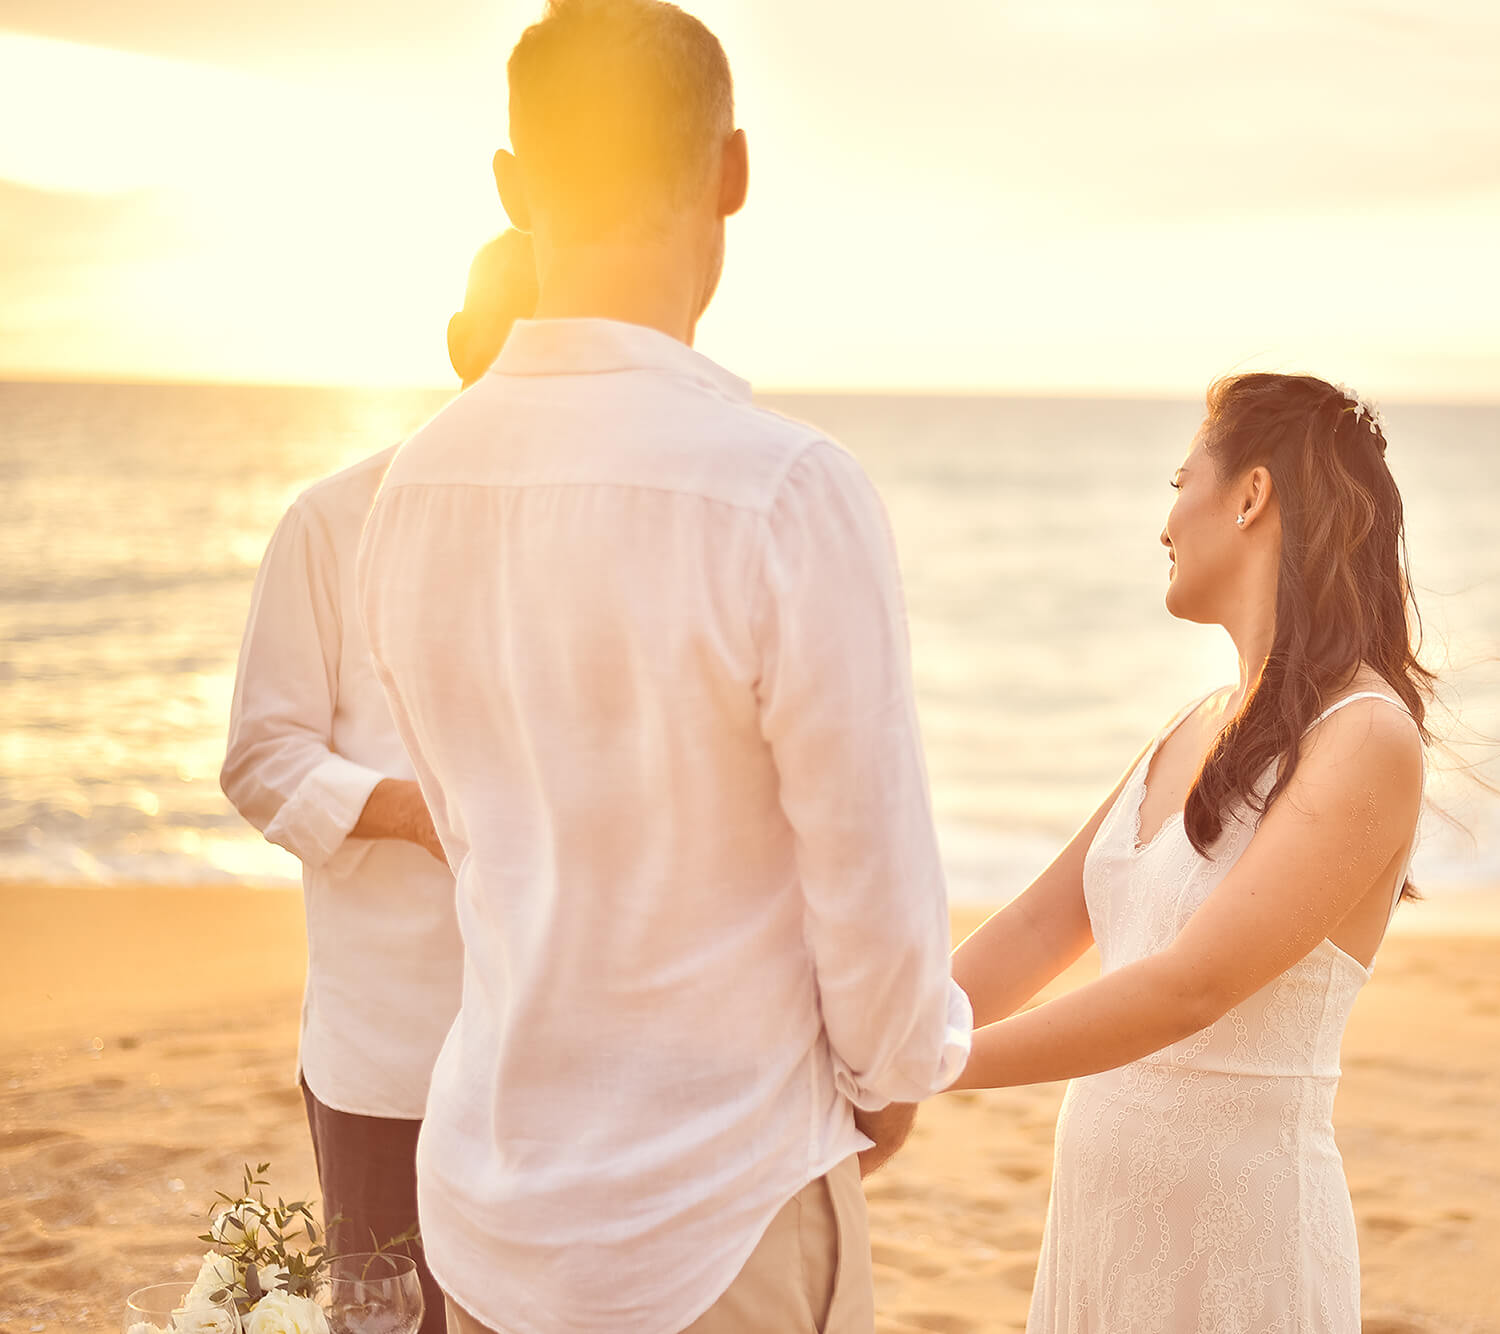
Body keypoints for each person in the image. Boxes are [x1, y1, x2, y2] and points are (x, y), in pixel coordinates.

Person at [354, 3, 970, 1332]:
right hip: (719, 1209)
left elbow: (477, 837)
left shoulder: (412, 489)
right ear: (731, 174)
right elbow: (870, 883)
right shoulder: (786, 491)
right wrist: (892, 1078)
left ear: (514, 189)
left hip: (489, 1200)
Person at [949, 373, 1431, 1332]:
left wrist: (929, 1064)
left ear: (1250, 496)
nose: (1165, 521)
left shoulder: (1366, 738)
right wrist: (864, 1035)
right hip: (1100, 1238)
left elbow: (1191, 988)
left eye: (1181, 481)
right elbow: (1043, 925)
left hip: (1241, 1256)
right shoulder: (1191, 727)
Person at [220, 226, 538, 1334]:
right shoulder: (328, 520)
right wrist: (417, 811)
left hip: (560, 1056)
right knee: (387, 1315)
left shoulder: (609, 532)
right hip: (387, 1051)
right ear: (460, 345)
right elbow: (260, 758)